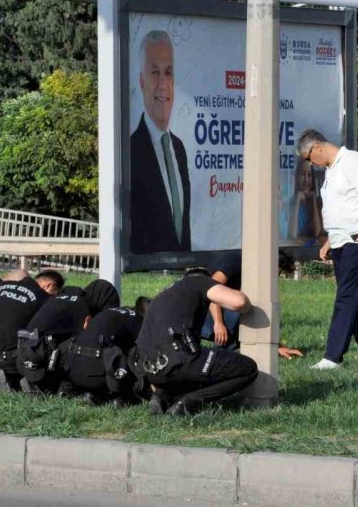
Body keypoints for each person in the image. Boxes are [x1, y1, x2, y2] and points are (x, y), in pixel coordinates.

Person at [296, 129, 358, 370]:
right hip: (338, 241)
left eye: (308, 157)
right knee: (353, 297)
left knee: (346, 297)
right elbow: (340, 207)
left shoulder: (352, 161)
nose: (309, 163)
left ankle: (332, 356)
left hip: (357, 239)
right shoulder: (330, 170)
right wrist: (328, 241)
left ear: (317, 148)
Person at [132, 271, 257, 416]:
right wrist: (249, 306)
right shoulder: (198, 281)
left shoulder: (162, 296)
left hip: (150, 371)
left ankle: (164, 396)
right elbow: (238, 301)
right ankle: (188, 403)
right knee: (249, 369)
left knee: (193, 370)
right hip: (178, 360)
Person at [129, 30, 191, 254]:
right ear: (142, 81)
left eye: (168, 72)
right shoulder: (128, 152)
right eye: (155, 72)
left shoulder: (179, 150)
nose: (163, 84)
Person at [16, 279, 120, 395]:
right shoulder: (84, 308)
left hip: (23, 352)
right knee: (85, 347)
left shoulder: (63, 297)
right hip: (40, 358)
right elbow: (89, 341)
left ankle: (37, 381)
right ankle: (47, 385)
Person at [197, 252, 303, 359]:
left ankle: (229, 352)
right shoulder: (234, 263)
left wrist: (276, 347)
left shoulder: (255, 276)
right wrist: (218, 323)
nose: (272, 278)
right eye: (273, 273)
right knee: (239, 308)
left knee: (251, 308)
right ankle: (224, 354)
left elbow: (256, 316)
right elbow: (210, 290)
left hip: (213, 310)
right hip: (195, 310)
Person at [0, 269, 64, 391]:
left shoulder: (2, 286)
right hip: (10, 359)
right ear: (49, 285)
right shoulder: (44, 297)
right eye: (55, 293)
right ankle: (12, 379)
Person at [64, 297, 150, 406]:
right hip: (96, 373)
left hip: (72, 370)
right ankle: (120, 396)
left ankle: (96, 394)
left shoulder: (114, 313)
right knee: (132, 353)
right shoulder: (139, 321)